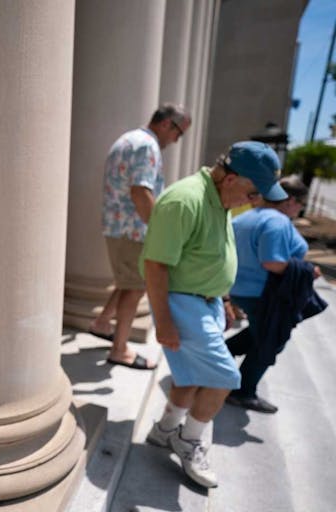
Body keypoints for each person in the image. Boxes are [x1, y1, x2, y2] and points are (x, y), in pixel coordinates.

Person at [142, 141, 286, 488]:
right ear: (232, 178)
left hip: (202, 300)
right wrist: (162, 321)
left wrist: (221, 296)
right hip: (183, 301)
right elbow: (155, 265)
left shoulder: (220, 197)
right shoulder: (185, 199)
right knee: (223, 378)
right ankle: (188, 440)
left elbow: (210, 254)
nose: (254, 202)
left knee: (192, 373)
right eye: (253, 193)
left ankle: (164, 430)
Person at [89, 103, 191, 370]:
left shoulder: (128, 139)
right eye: (179, 133)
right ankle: (119, 350)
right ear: (168, 124)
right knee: (134, 287)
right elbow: (140, 193)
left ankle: (102, 323)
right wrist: (161, 233)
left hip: (120, 226)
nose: (177, 140)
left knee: (127, 282)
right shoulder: (147, 146)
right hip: (132, 229)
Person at [225, 176, 324, 413]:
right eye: (301, 203)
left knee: (262, 332)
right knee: (271, 339)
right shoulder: (276, 222)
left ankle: (222, 356)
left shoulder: (247, 216)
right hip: (263, 294)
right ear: (290, 200)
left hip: (240, 289)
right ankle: (243, 391)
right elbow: (272, 262)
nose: (301, 208)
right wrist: (308, 271)